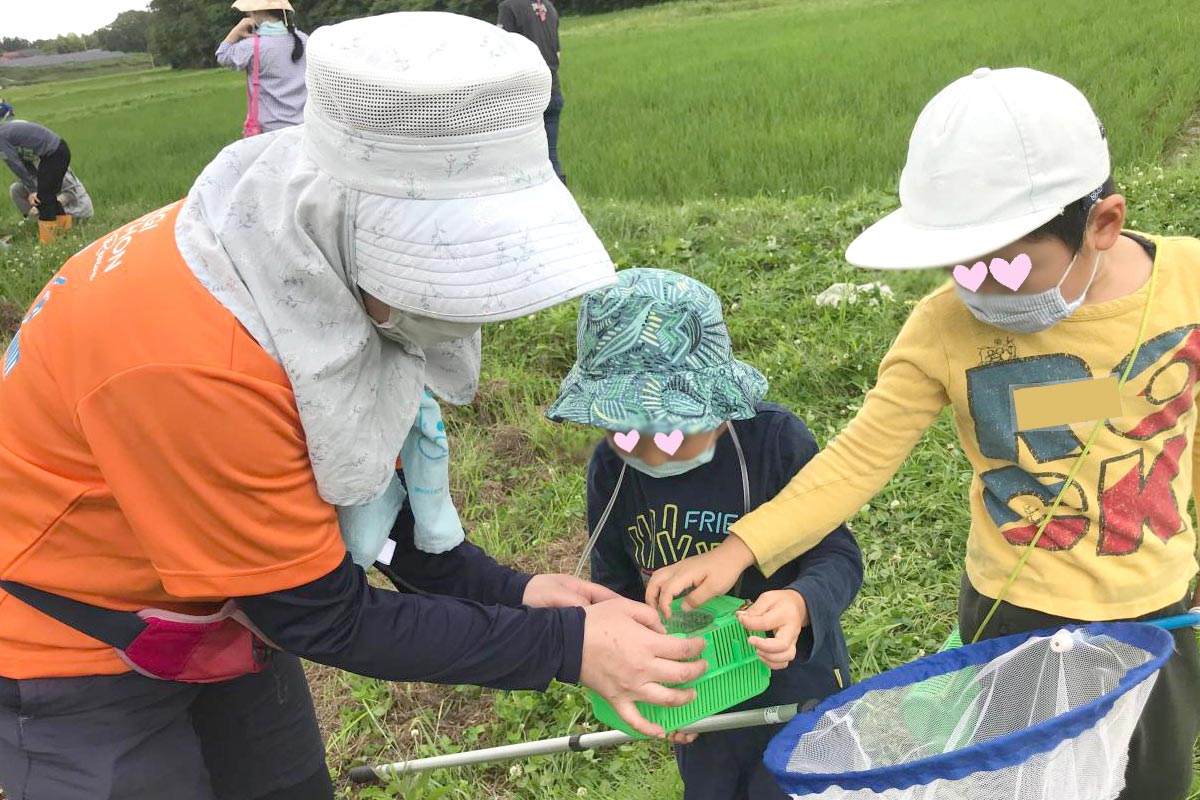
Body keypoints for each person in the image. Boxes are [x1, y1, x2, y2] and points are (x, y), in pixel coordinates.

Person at [0, 14, 707, 800]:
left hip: (231, 598)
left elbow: (356, 486)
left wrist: (512, 592)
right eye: (439, 274)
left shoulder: (293, 244)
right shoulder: (199, 356)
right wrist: (564, 645)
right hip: (75, 644)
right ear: (360, 227)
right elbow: (323, 617)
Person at [645, 67, 1200, 800]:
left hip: (1160, 607)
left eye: (1004, 265)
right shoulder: (944, 326)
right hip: (1017, 611)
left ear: (1102, 224)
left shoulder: (1186, 286)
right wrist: (743, 547)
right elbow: (858, 457)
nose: (979, 290)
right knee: (1017, 782)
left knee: (1149, 782)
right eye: (961, 267)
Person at [546, 268, 863, 800]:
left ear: (720, 404)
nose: (649, 452)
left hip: (796, 692)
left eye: (671, 430)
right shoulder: (611, 469)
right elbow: (617, 585)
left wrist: (800, 604)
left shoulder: (772, 443)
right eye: (626, 430)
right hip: (696, 695)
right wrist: (652, 686)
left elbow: (838, 555)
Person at [497, 0, 566, 185]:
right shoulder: (548, 6)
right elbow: (557, 53)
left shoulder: (508, 7)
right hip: (553, 90)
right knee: (551, 158)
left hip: (525, 96)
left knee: (520, 163)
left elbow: (503, 54)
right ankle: (562, 205)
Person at [216, 0, 308, 134]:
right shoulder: (303, 39)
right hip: (306, 126)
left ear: (256, 11)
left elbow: (222, 55)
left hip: (271, 130)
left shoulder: (252, 46)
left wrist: (236, 31)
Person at [0, 101, 79, 245]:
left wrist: (32, 190)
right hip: (57, 151)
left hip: (54, 154)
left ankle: (48, 243)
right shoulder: (5, 130)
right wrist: (34, 187)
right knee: (48, 196)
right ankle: (64, 233)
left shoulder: (1, 135)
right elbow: (25, 160)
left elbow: (14, 163)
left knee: (43, 200)